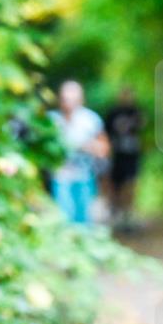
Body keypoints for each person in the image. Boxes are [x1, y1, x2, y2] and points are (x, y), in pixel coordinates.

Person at [48, 80, 110, 225]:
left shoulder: (91, 120)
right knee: (63, 215)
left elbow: (105, 148)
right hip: (60, 175)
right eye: (65, 99)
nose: (68, 103)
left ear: (81, 100)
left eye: (72, 99)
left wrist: (90, 147)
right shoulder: (51, 120)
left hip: (85, 175)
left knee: (84, 218)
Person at [104, 87, 145, 232]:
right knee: (116, 185)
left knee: (131, 184)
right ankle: (117, 213)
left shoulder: (136, 111)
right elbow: (106, 133)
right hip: (117, 155)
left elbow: (141, 127)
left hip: (132, 155)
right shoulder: (113, 113)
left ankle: (128, 214)